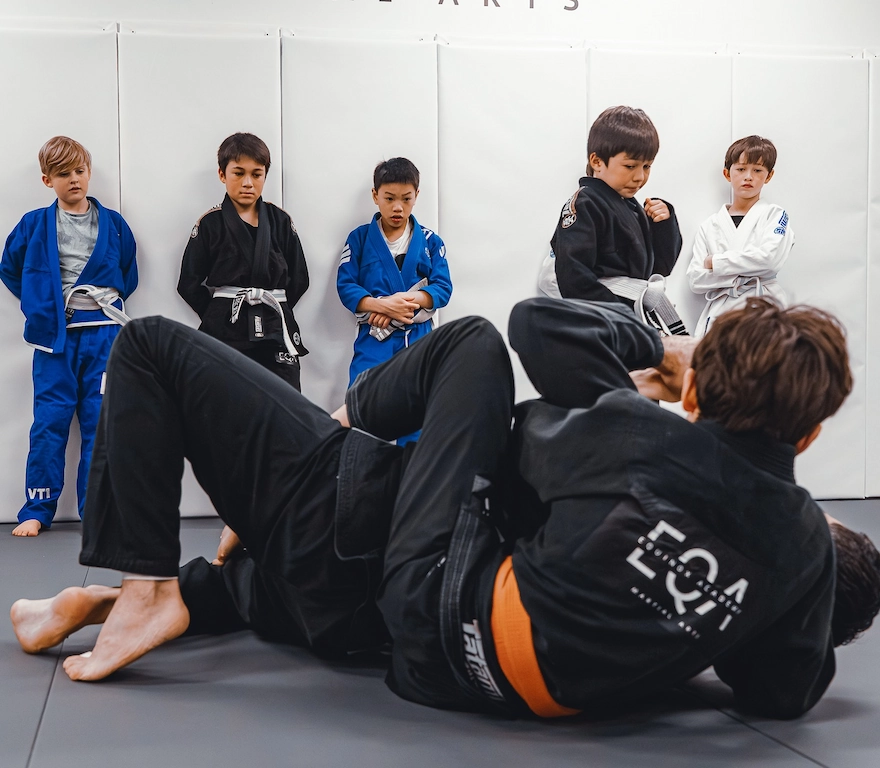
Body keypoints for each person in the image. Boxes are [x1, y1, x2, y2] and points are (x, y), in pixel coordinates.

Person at [12, 296, 878, 724]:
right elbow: (781, 695)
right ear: (809, 438)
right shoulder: (797, 549)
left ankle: (147, 583)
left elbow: (525, 376)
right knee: (296, 569)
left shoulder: (636, 438)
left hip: (422, 597)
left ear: (703, 390)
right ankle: (194, 592)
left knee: (153, 343)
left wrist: (656, 356)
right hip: (408, 657)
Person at [0, 136, 137, 537]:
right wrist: (43, 302)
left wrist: (102, 303)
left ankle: (97, 511)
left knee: (101, 423)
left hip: (104, 337)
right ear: (48, 180)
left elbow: (127, 272)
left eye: (79, 171)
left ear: (89, 173)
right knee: (49, 422)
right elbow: (10, 268)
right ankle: (37, 508)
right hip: (54, 341)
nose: (74, 179)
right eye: (63, 174)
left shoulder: (113, 223)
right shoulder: (32, 224)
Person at [177, 133, 308, 391]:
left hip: (274, 327)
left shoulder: (281, 221)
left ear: (264, 176)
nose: (247, 183)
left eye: (256, 174)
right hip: (225, 331)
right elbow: (188, 283)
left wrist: (273, 306)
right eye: (238, 173)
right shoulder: (209, 224)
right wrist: (219, 312)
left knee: (285, 403)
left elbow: (300, 279)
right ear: (222, 174)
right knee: (225, 404)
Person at [540, 106, 684, 334]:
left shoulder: (633, 207)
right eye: (630, 166)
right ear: (597, 161)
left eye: (647, 167)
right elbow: (574, 278)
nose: (640, 177)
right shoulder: (586, 203)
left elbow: (661, 267)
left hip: (631, 318)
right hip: (602, 324)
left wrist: (664, 225)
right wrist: (623, 319)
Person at [336, 157, 451, 386]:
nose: (398, 207)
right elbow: (346, 287)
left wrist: (401, 302)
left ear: (416, 196)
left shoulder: (430, 241)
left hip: (418, 337)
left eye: (406, 199)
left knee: (418, 407)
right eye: (389, 198)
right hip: (374, 337)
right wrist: (383, 306)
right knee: (364, 402)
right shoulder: (359, 238)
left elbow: (443, 288)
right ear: (375, 195)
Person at [687, 135, 793, 336]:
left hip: (763, 307)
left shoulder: (775, 215)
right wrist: (743, 276)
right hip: (721, 311)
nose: (748, 177)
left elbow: (769, 260)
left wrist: (716, 263)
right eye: (741, 169)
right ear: (727, 173)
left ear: (768, 176)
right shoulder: (710, 225)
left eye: (758, 170)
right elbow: (696, 279)